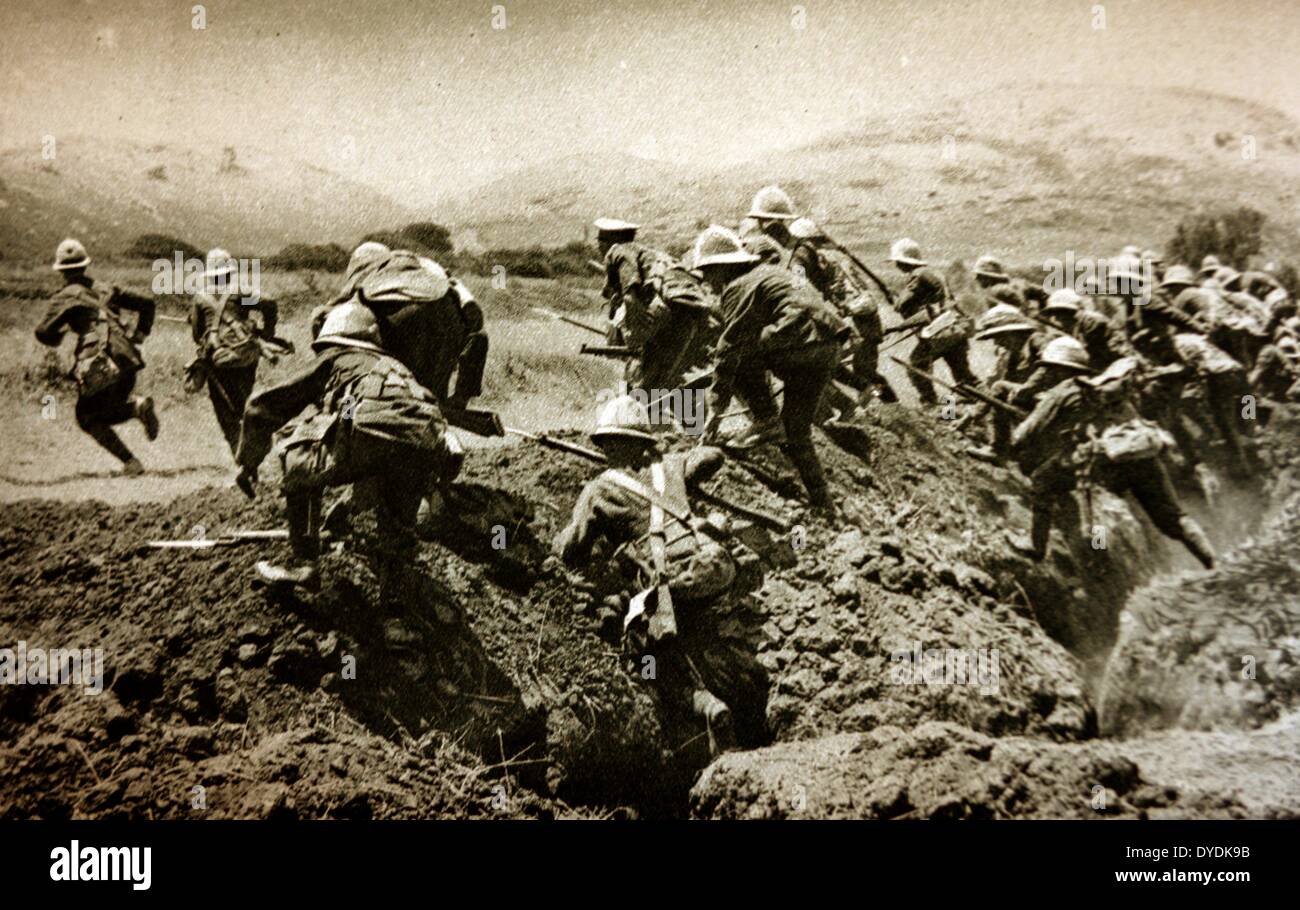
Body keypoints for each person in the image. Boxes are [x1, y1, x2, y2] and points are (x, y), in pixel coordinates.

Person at [554, 395, 757, 753]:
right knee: (697, 619)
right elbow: (712, 457)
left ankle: (701, 702)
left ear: (610, 443)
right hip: (717, 564)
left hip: (674, 579)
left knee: (641, 641)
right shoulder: (671, 466)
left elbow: (571, 549)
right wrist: (673, 461)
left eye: (606, 444)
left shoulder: (599, 488)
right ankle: (737, 676)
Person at [234, 303, 461, 594]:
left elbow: (263, 406)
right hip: (424, 445)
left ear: (334, 336)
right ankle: (395, 614)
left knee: (299, 451)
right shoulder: (396, 368)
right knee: (396, 523)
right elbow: (368, 416)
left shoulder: (338, 355)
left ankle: (304, 564)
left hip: (374, 432)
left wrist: (249, 462)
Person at [1010, 343, 1215, 568]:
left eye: (1050, 369)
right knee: (1173, 519)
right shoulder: (1109, 388)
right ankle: (1212, 563)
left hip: (1102, 459)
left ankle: (1040, 547)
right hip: (1141, 453)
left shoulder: (1062, 391)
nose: (1048, 374)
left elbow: (1022, 437)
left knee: (1044, 481)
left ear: (1059, 369)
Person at [693, 225, 847, 507]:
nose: (706, 281)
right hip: (828, 344)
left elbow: (728, 350)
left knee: (737, 353)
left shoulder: (738, 287)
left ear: (722, 267)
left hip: (800, 339)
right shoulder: (771, 273)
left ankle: (765, 418)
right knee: (796, 431)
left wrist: (715, 411)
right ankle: (822, 501)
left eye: (707, 272)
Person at [35, 238, 159, 474]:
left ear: (61, 270)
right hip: (127, 360)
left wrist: (58, 336)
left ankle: (131, 458)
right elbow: (148, 303)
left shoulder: (63, 296)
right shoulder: (106, 287)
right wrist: (140, 334)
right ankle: (137, 409)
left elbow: (43, 332)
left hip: (99, 364)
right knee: (105, 410)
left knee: (87, 417)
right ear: (84, 265)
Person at [595, 217, 712, 398]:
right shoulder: (652, 254)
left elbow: (630, 293)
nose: (598, 246)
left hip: (668, 304)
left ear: (609, 241)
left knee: (643, 375)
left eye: (600, 241)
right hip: (693, 307)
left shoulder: (618, 251)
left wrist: (635, 338)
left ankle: (638, 414)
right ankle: (678, 416)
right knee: (666, 372)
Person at [188, 247, 279, 456]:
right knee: (244, 403)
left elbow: (196, 335)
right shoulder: (241, 294)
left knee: (225, 414)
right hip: (244, 357)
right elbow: (270, 304)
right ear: (230, 272)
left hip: (217, 359)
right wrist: (267, 333)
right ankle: (255, 449)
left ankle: (242, 458)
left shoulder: (201, 298)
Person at [893, 241, 976, 403]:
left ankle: (930, 402)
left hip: (939, 331)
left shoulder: (918, 275)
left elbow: (902, 303)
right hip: (954, 328)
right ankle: (972, 405)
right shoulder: (934, 273)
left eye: (898, 261)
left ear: (904, 261)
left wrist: (895, 300)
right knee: (963, 375)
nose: (896, 265)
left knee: (916, 366)